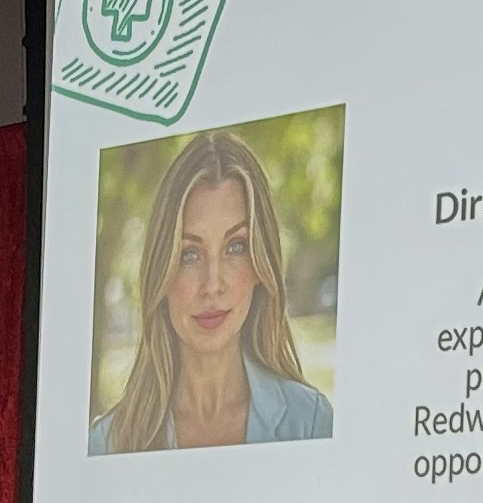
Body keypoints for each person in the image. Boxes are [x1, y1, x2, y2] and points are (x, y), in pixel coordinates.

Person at [90, 128, 332, 455]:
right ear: (162, 270)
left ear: (261, 264)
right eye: (190, 254)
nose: (212, 284)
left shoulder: (311, 422)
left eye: (235, 247)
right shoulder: (107, 443)